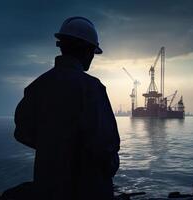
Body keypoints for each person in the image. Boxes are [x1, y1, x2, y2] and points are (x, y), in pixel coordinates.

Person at [13, 16, 120, 200]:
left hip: (48, 189)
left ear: (62, 47)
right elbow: (106, 145)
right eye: (93, 52)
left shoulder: (37, 87)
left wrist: (53, 147)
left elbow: (22, 133)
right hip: (88, 190)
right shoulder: (92, 88)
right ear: (87, 50)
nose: (93, 57)